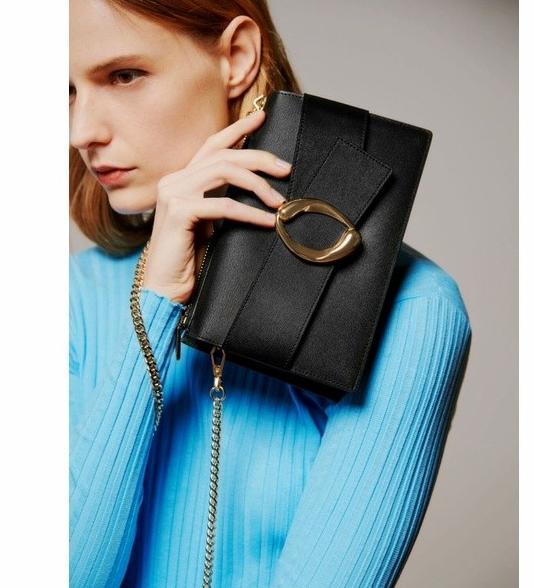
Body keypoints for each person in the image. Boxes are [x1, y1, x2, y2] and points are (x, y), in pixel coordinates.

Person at [69, 1, 472, 586]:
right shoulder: (74, 294)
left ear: (236, 57)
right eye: (65, 92)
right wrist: (155, 298)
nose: (81, 132)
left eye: (124, 76)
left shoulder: (412, 309)